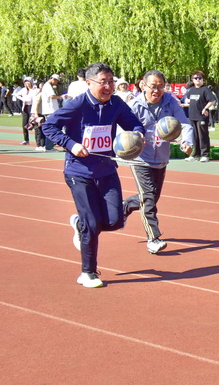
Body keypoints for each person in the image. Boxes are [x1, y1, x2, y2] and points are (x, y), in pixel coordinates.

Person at [41, 62, 145, 287]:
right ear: (89, 83)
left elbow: (134, 123)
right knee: (92, 224)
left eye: (111, 82)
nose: (108, 87)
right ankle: (88, 273)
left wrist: (138, 134)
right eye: (103, 82)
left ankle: (81, 223)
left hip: (106, 170)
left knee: (114, 222)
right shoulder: (77, 104)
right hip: (79, 172)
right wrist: (71, 144)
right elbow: (48, 127)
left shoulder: (116, 104)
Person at [123, 70, 194, 254]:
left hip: (161, 158)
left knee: (152, 197)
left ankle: (124, 207)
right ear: (143, 86)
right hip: (140, 158)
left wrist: (187, 142)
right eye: (153, 86)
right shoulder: (134, 105)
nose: (157, 90)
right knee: (148, 199)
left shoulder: (171, 102)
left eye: (161, 86)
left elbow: (184, 123)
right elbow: (122, 129)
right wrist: (134, 139)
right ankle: (153, 238)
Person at [183, 71, 216, 162]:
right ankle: (195, 154)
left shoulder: (205, 89)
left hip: (201, 116)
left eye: (200, 78)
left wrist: (205, 108)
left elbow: (212, 100)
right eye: (196, 78)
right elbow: (190, 101)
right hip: (192, 116)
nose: (198, 80)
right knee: (194, 136)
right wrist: (184, 104)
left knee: (203, 135)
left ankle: (205, 154)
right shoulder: (191, 90)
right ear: (192, 80)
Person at [14, 77, 36, 145]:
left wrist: (25, 98)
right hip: (25, 107)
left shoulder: (34, 89)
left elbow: (32, 98)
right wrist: (22, 98)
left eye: (28, 82)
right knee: (24, 124)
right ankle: (26, 140)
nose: (27, 84)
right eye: (26, 82)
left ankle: (39, 141)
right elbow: (16, 94)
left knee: (35, 124)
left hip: (32, 107)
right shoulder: (23, 90)